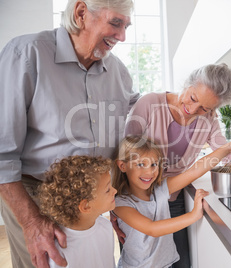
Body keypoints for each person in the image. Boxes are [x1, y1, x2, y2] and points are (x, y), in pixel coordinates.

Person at [0, 0, 140, 267]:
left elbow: (128, 140)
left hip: (95, 196)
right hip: (36, 195)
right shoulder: (26, 54)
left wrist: (112, 198)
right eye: (115, 23)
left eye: (126, 26)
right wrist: (31, 221)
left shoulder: (119, 73)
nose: (122, 36)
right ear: (81, 13)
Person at [118, 63, 231, 267]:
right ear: (187, 84)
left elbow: (225, 156)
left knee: (179, 261)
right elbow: (126, 151)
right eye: (193, 98)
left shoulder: (209, 119)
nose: (193, 109)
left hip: (172, 196)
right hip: (137, 201)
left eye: (205, 108)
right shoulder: (149, 104)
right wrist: (116, 205)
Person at [111, 135, 231, 268]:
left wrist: (227, 148)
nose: (149, 172)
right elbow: (151, 229)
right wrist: (193, 215)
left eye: (154, 164)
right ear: (122, 166)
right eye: (141, 164)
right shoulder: (120, 203)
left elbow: (194, 171)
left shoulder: (159, 190)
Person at [38, 155, 117, 268]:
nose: (115, 191)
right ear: (85, 206)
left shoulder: (105, 226)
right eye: (107, 190)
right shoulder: (59, 248)